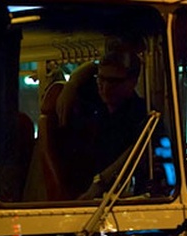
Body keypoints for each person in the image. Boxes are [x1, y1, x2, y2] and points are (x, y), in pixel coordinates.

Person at [57, 50, 149, 199]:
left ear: (133, 82)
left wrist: (99, 184)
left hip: (113, 198)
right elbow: (92, 67)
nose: (105, 88)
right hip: (78, 195)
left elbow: (137, 150)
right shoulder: (93, 102)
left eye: (114, 82)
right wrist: (71, 84)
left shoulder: (141, 114)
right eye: (101, 80)